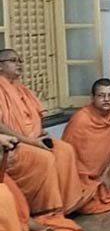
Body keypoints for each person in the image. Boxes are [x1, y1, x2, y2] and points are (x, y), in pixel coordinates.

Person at [0, 49, 86, 215]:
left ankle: (66, 207)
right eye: (13, 60)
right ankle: (46, 210)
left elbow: (33, 116)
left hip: (35, 139)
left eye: (20, 60)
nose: (19, 64)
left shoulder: (21, 88)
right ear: (0, 66)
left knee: (65, 150)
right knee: (45, 158)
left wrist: (40, 134)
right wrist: (29, 140)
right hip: (13, 145)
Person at [62, 79, 110, 214]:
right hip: (81, 175)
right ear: (92, 98)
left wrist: (105, 174)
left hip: (104, 169)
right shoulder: (81, 119)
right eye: (101, 95)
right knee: (80, 203)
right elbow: (66, 156)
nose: (106, 99)